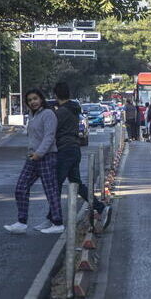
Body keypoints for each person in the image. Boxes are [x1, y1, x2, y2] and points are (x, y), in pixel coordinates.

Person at [35, 83, 112, 231]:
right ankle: (101, 207)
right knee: (76, 184)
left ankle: (54, 221)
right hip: (74, 149)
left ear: (56, 95)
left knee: (55, 185)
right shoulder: (73, 109)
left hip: (64, 150)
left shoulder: (60, 113)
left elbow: (49, 130)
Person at [4, 88, 64, 235]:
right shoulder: (32, 116)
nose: (33, 102)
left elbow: (49, 137)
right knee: (21, 187)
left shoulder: (48, 114)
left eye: (35, 98)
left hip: (47, 157)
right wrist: (33, 154)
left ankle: (58, 223)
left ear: (41, 99)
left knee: (51, 191)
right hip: (32, 157)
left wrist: (39, 153)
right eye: (30, 100)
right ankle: (21, 222)